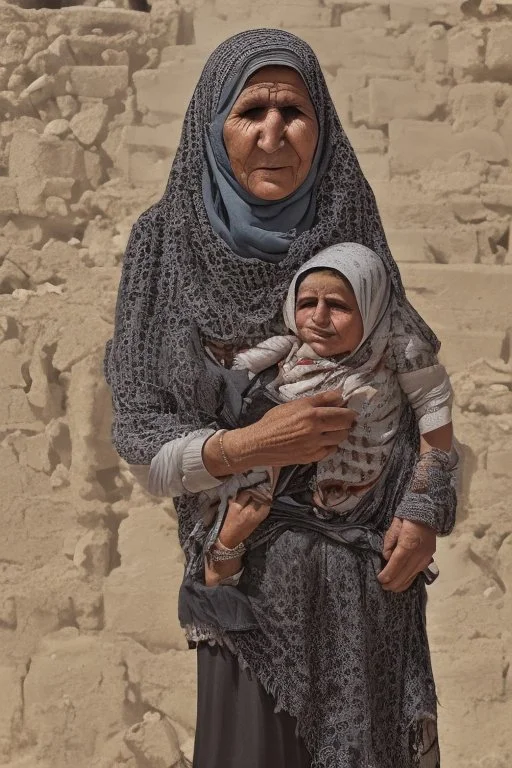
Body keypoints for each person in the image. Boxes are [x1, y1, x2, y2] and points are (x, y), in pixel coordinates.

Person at [104, 28, 458, 768]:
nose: (273, 134)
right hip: (245, 589)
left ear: (321, 126)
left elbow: (422, 387)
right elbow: (137, 428)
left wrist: (425, 514)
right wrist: (254, 444)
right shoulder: (163, 244)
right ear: (212, 123)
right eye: (250, 112)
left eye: (293, 111)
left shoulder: (348, 224)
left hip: (368, 591)